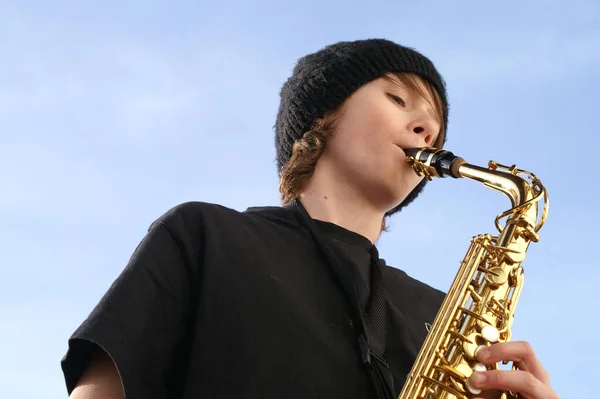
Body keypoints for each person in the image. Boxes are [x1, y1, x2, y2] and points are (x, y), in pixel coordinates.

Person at [61, 38, 559, 399]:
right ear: (321, 116)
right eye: (398, 99)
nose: (427, 128)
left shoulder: (438, 310)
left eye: (435, 124)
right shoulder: (206, 237)